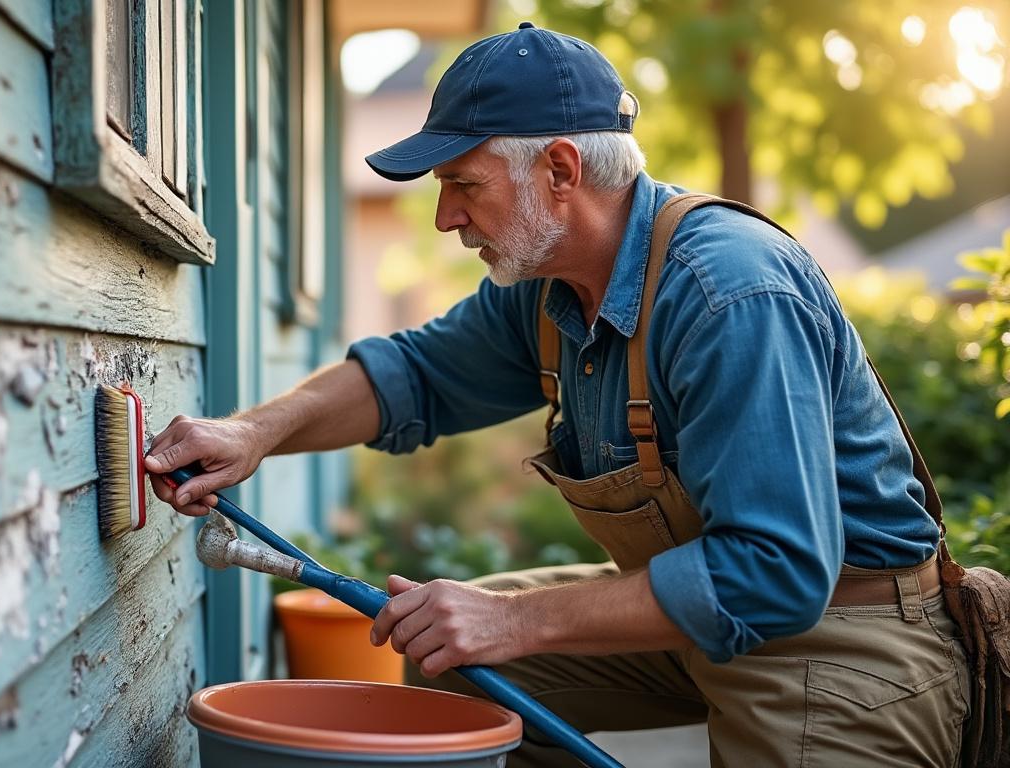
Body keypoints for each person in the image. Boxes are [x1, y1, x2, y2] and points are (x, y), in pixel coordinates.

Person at [145, 22, 969, 766]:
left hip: (840, 638)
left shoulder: (727, 292)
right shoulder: (549, 289)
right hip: (698, 622)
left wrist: (518, 620)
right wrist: (251, 432)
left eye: (464, 184)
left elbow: (776, 571)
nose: (445, 218)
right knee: (454, 655)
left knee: (497, 629)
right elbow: (414, 376)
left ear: (561, 170)